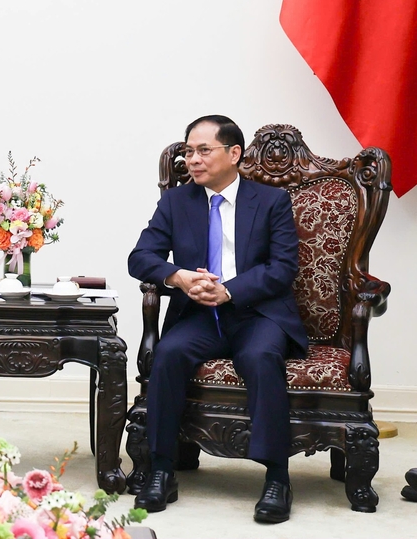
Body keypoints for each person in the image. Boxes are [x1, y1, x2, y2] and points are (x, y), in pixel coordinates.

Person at [127, 115, 307, 524]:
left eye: (203, 150)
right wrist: (179, 277)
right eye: (189, 151)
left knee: (261, 358)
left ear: (234, 154)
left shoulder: (271, 201)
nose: (193, 159)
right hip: (199, 315)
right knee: (168, 354)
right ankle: (160, 469)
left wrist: (229, 290)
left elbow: (283, 269)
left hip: (256, 312)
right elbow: (140, 257)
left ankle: (278, 477)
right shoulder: (176, 202)